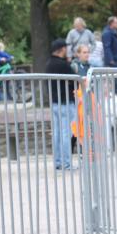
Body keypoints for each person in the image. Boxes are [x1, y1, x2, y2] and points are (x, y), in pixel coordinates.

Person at [46, 39, 79, 171]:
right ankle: (66, 163)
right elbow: (74, 80)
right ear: (61, 49)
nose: (67, 50)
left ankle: (58, 162)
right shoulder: (63, 65)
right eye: (65, 48)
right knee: (66, 133)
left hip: (55, 102)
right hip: (66, 102)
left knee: (57, 133)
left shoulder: (48, 64)